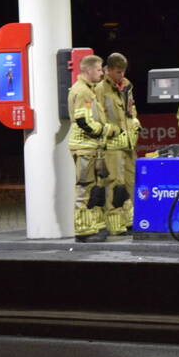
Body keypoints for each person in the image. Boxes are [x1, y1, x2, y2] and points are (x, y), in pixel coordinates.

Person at [68, 54, 119, 242]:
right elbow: (84, 121)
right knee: (85, 188)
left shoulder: (89, 90)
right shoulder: (82, 91)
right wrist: (106, 130)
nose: (101, 73)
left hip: (92, 147)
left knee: (95, 189)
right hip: (84, 147)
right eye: (99, 69)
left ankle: (95, 227)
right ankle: (83, 231)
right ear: (88, 70)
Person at [96, 52, 140, 235]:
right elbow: (99, 117)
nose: (121, 75)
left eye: (123, 72)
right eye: (118, 72)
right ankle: (115, 225)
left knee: (131, 182)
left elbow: (132, 110)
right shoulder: (100, 89)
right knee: (114, 184)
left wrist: (136, 124)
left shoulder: (127, 86)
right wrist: (107, 135)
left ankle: (129, 220)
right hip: (112, 144)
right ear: (109, 70)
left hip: (129, 142)